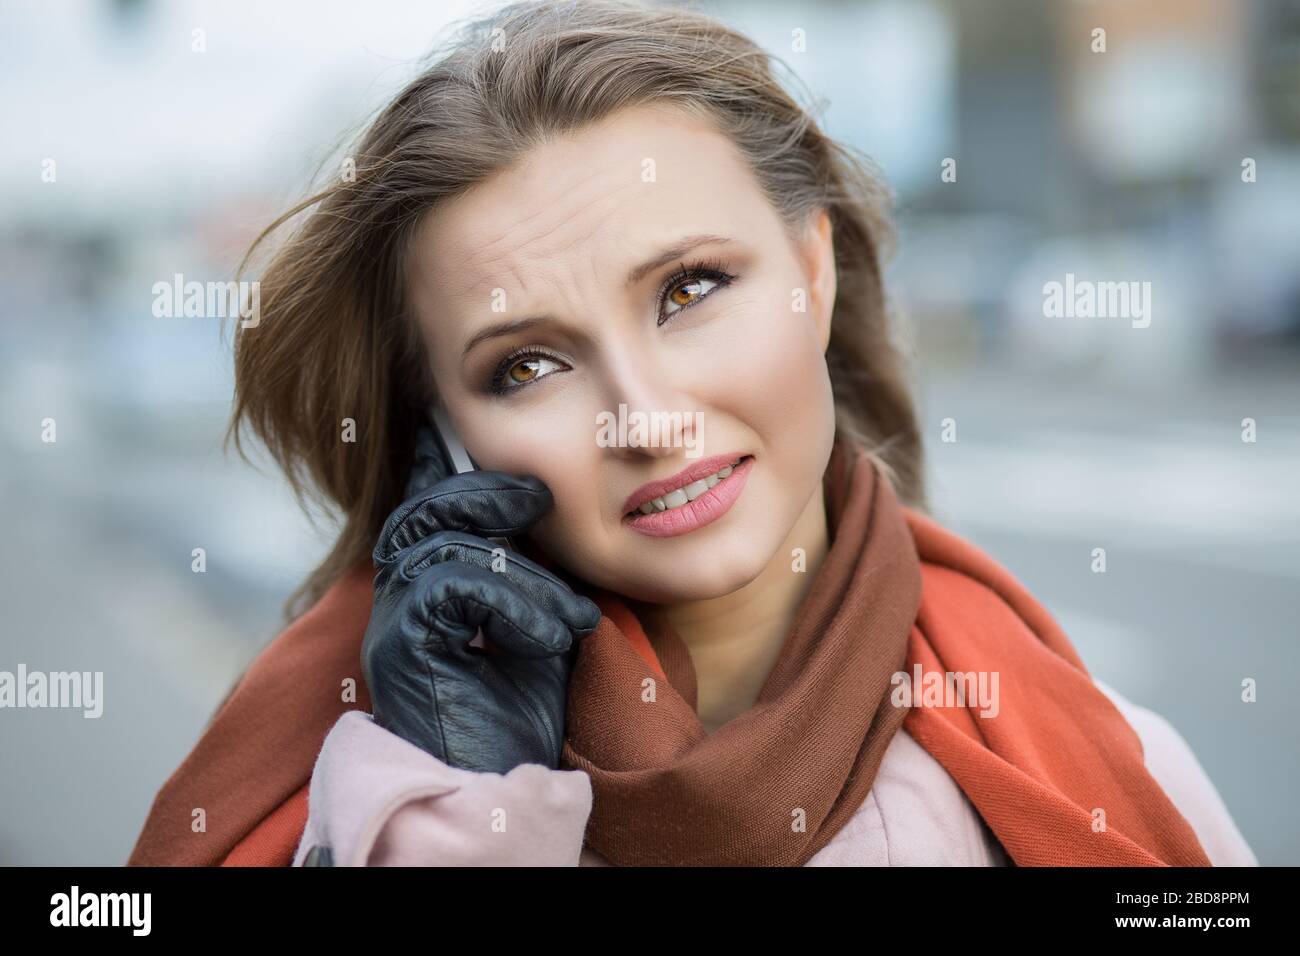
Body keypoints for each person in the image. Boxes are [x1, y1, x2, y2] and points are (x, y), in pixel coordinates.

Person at [127, 0, 1256, 868]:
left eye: (690, 288)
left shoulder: (1114, 774)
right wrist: (457, 808)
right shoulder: (356, 808)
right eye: (528, 363)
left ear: (812, 273)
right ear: (447, 439)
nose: (644, 411)